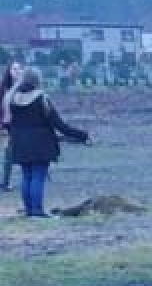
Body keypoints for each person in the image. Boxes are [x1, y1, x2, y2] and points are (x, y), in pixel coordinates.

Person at [6, 68, 89, 218]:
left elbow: (9, 123)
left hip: (19, 143)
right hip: (40, 144)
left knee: (26, 176)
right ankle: (37, 211)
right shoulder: (42, 98)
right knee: (38, 176)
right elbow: (59, 125)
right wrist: (82, 135)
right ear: (37, 80)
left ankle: (29, 210)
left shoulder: (12, 99)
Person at [0, 61, 21, 192]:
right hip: (7, 125)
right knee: (8, 154)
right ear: (9, 71)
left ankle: (6, 181)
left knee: (12, 153)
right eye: (15, 69)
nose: (18, 71)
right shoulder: (3, 88)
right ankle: (5, 182)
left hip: (20, 125)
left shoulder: (23, 87)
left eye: (19, 68)